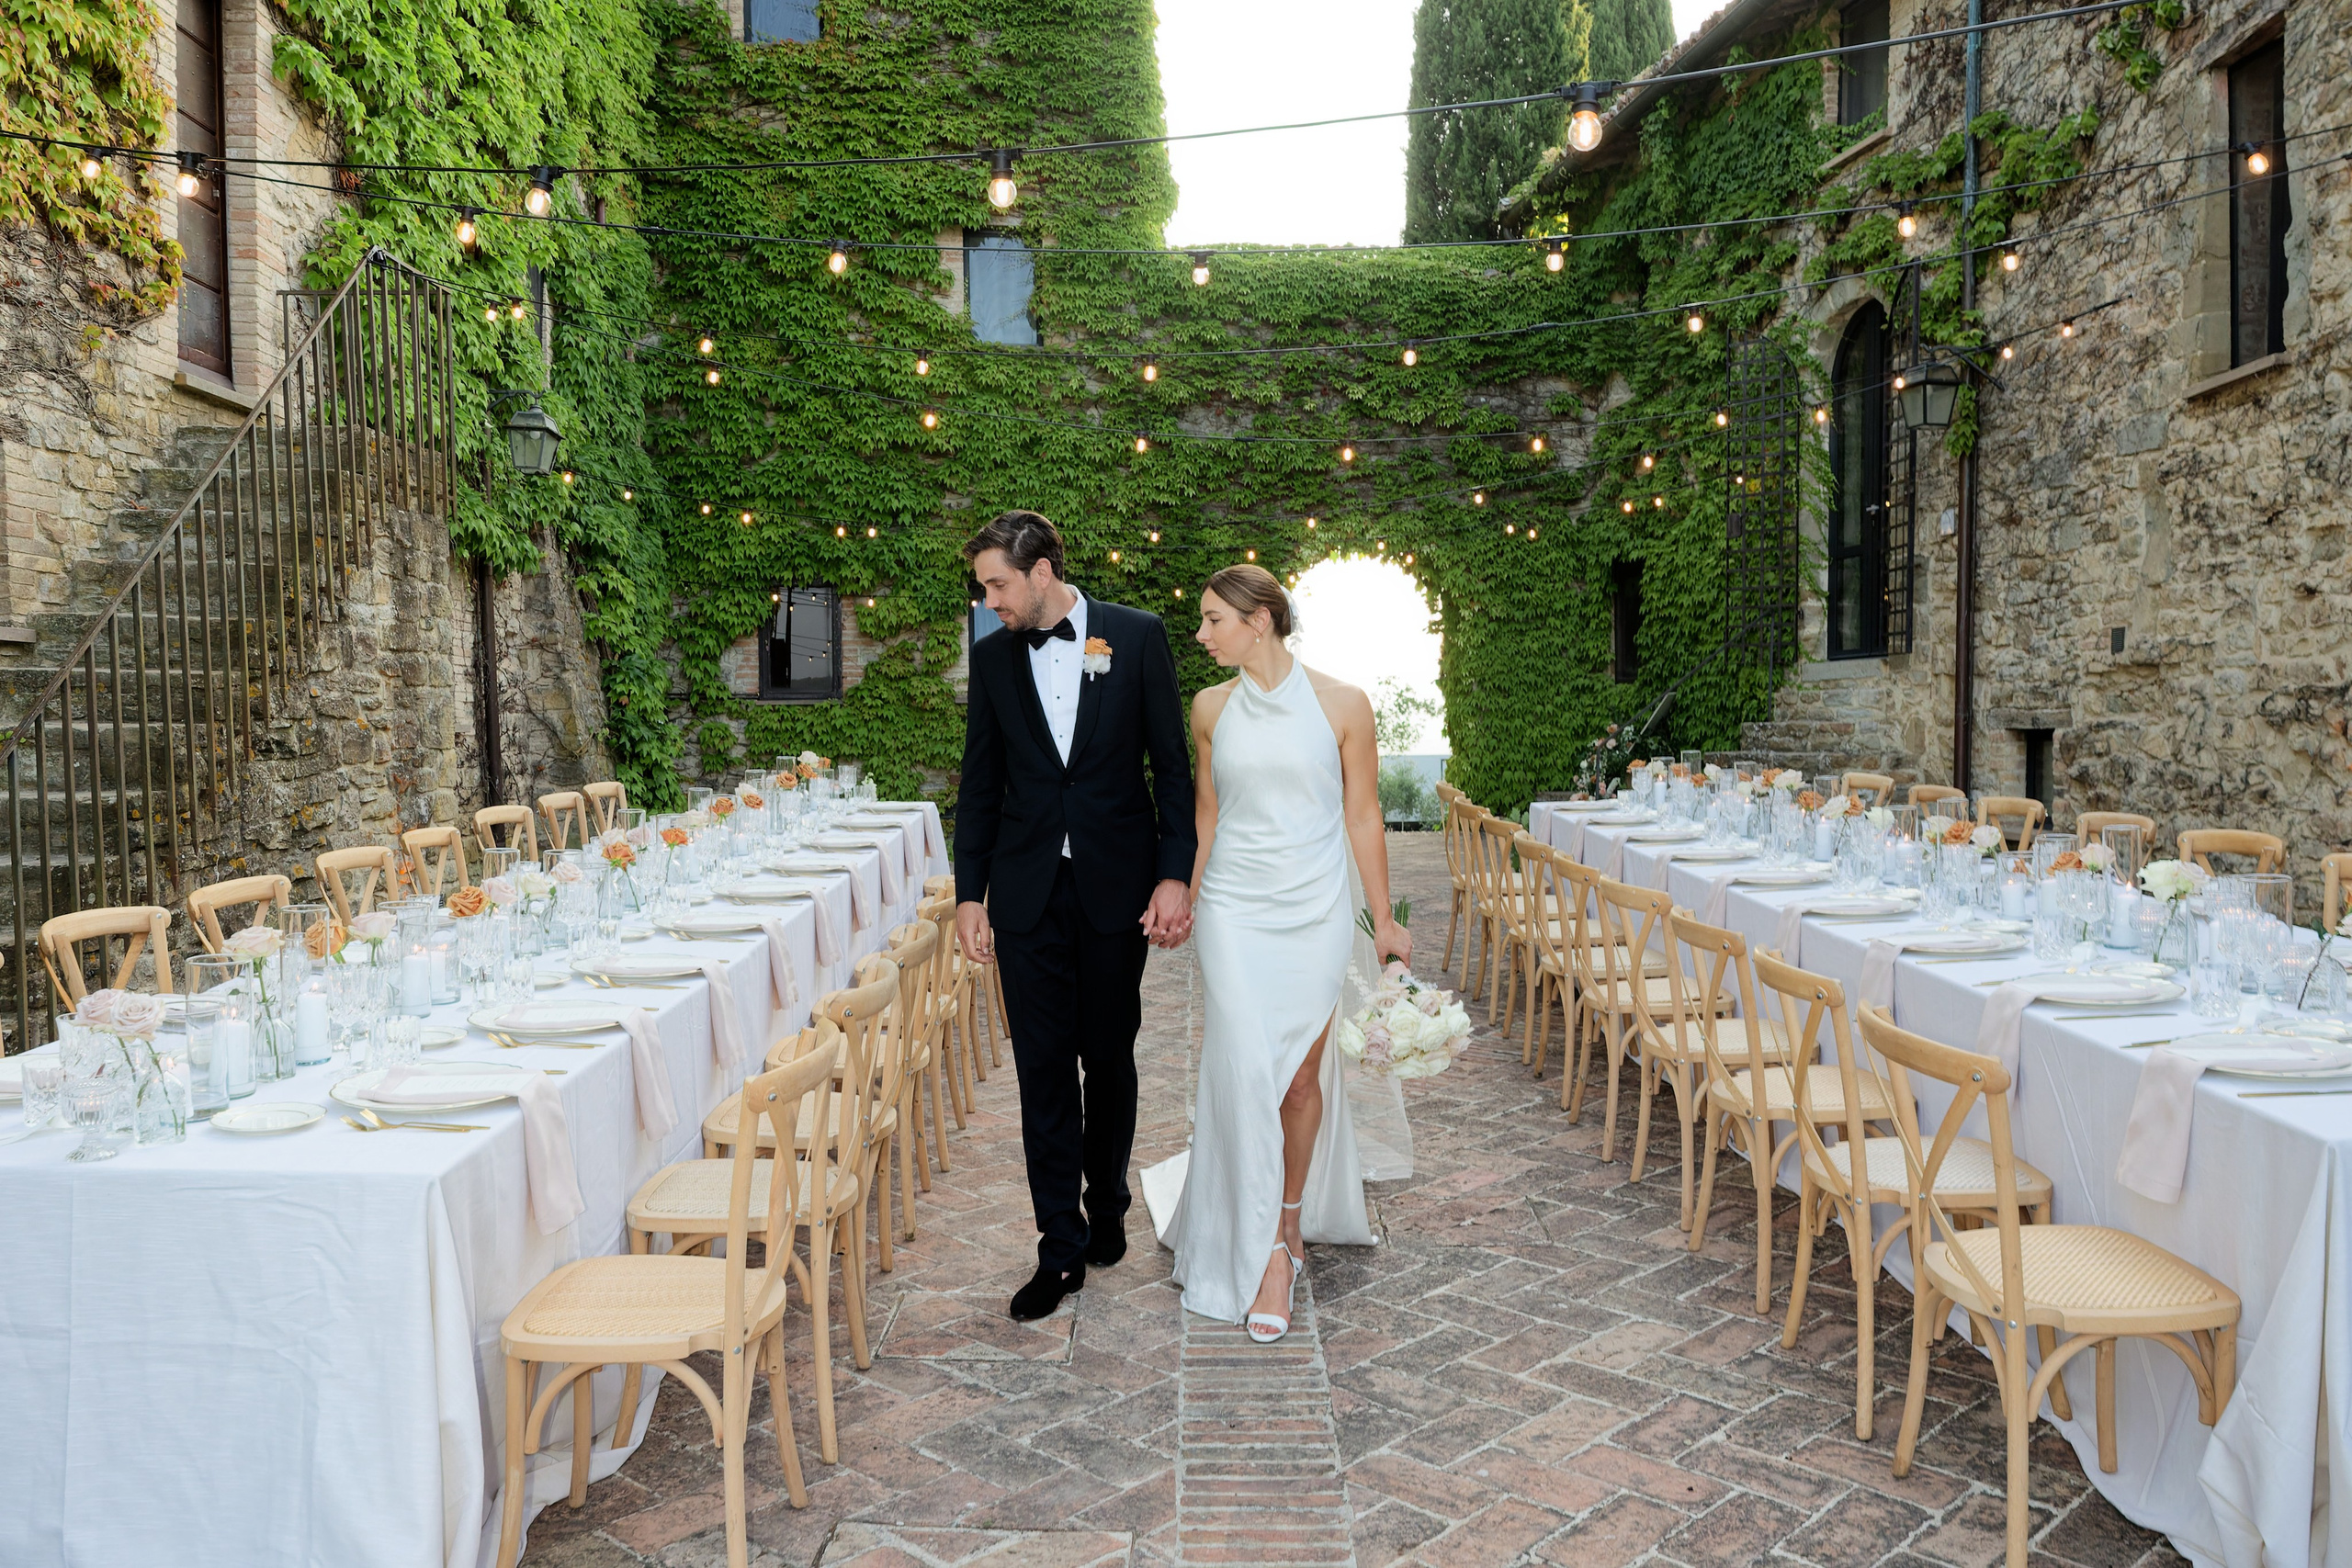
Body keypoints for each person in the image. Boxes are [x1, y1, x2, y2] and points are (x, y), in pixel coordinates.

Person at [953, 511, 1197, 1322]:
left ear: (1044, 570)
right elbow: (980, 786)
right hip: (1025, 897)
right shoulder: (991, 660)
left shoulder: (1137, 636)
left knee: (1109, 1058)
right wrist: (968, 893)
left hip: (1113, 889)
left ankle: (1109, 1203)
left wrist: (1172, 876)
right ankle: (1059, 1247)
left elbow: (1172, 768)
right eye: (983, 586)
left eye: (997, 584)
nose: (988, 601)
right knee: (1043, 1071)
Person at [1156, 564, 1408, 1341]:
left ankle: (1288, 1227)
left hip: (1316, 907)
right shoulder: (1208, 708)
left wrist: (1385, 918)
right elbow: (1207, 812)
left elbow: (1363, 816)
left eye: (1212, 621)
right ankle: (1259, 1243)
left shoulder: (1344, 704)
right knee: (1241, 1066)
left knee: (1299, 1075)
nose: (1200, 636)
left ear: (1259, 618)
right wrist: (1184, 893)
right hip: (1233, 907)